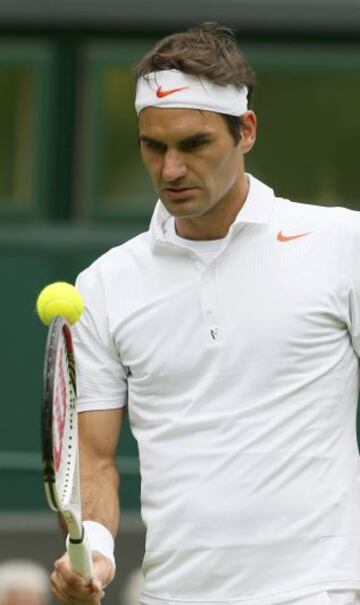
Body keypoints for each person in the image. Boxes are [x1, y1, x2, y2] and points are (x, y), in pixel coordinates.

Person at [50, 21, 360, 605]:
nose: (170, 170)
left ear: (245, 131)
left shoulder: (342, 244)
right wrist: (94, 549)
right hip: (172, 594)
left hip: (321, 591)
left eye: (194, 145)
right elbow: (94, 457)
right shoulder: (106, 285)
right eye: (153, 146)